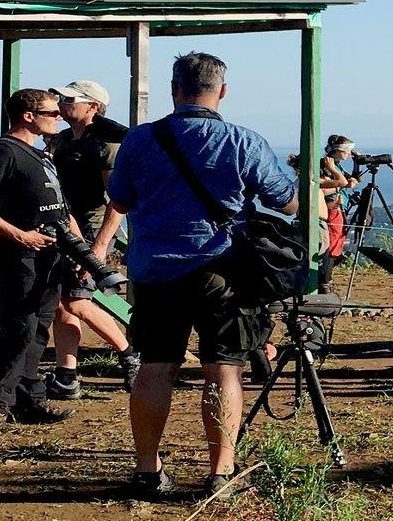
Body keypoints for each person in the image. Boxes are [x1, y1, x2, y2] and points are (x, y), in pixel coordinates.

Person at [110, 52, 298, 498]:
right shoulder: (243, 142)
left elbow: (118, 200)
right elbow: (286, 201)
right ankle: (221, 472)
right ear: (223, 91)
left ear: (175, 89)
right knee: (223, 369)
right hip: (223, 269)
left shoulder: (139, 141)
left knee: (156, 367)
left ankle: (145, 470)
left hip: (155, 270)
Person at [42, 80, 138, 399]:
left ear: (92, 106)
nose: (62, 103)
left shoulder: (106, 144)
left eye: (70, 99)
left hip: (93, 229)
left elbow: (117, 200)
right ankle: (66, 376)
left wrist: (97, 248)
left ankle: (128, 353)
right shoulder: (63, 140)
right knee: (63, 300)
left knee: (77, 300)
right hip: (64, 228)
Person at [0, 89, 78, 427]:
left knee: (40, 327)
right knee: (20, 327)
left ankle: (30, 401)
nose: (60, 117)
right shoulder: (4, 151)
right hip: (22, 255)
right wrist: (19, 235)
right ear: (29, 115)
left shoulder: (41, 155)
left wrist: (79, 249)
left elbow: (61, 208)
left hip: (52, 255)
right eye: (53, 113)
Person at [315, 135, 358, 293]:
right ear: (336, 150)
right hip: (332, 209)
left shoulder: (337, 165)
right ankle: (324, 281)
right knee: (332, 246)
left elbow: (347, 181)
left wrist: (355, 171)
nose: (349, 153)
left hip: (338, 209)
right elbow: (336, 184)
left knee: (336, 245)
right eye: (346, 150)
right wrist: (344, 184)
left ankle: (327, 278)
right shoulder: (327, 165)